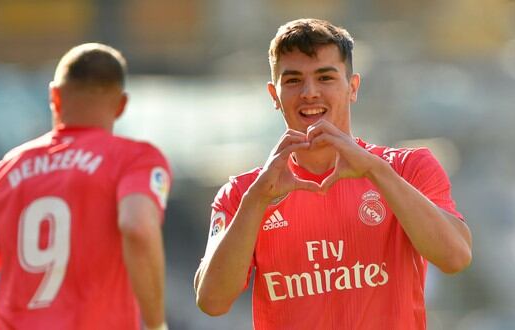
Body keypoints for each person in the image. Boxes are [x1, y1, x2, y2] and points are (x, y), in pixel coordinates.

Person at [194, 18, 472, 329]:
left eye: (325, 78)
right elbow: (212, 301)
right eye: (293, 80)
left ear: (352, 87)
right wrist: (256, 200)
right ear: (275, 96)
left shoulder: (407, 168)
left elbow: (455, 258)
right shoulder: (245, 193)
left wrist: (375, 170)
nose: (310, 92)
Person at [0, 43, 171, 330]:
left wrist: (17, 322)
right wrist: (156, 325)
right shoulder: (134, 159)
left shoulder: (5, 170)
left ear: (54, 96)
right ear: (122, 105)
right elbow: (137, 225)